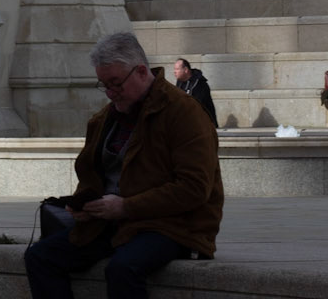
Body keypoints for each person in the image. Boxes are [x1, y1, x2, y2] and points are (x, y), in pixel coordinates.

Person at [24, 30, 223, 299]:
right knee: (40, 257)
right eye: (104, 84)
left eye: (116, 83)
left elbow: (194, 188)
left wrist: (126, 206)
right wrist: (87, 206)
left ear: (141, 71)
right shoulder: (105, 117)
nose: (110, 93)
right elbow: (92, 173)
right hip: (116, 223)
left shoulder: (184, 112)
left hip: (175, 226)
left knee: (123, 268)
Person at [172, 58, 217, 127]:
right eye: (174, 69)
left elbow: (198, 106)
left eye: (177, 69)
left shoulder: (199, 84)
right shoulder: (180, 82)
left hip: (204, 125)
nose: (174, 72)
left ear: (186, 70)